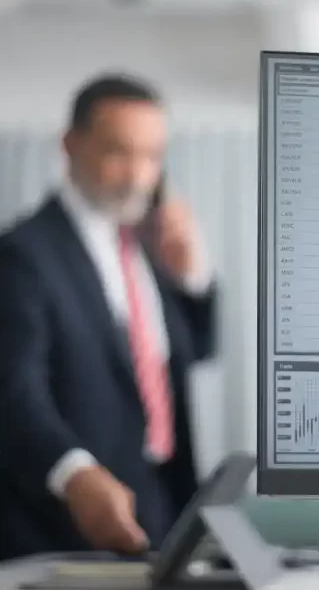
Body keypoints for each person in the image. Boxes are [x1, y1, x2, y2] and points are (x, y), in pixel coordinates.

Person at [0, 74, 217, 560]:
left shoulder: (146, 249)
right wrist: (73, 473)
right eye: (120, 152)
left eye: (153, 156)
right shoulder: (22, 256)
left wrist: (193, 278)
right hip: (67, 529)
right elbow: (13, 393)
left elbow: (192, 356)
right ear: (70, 145)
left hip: (162, 508)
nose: (138, 175)